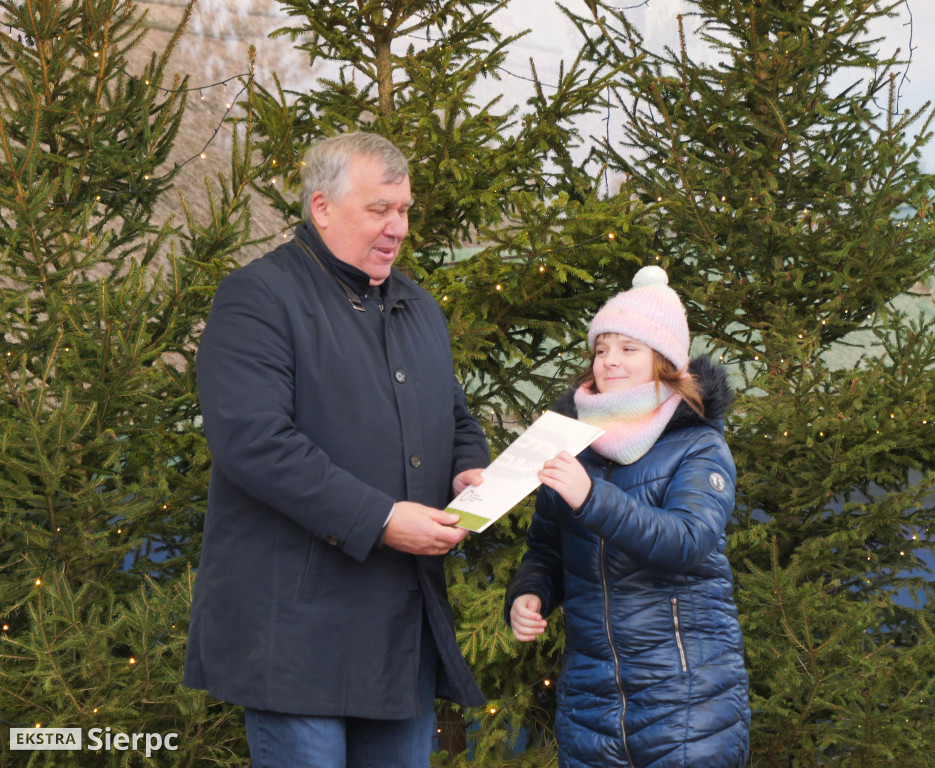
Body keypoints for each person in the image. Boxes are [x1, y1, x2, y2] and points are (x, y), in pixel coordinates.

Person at [184, 132, 490, 768]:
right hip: (296, 637)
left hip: (400, 637)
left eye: (404, 210)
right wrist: (381, 520)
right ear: (321, 206)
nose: (398, 227)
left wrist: (469, 468)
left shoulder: (418, 306)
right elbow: (254, 443)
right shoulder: (258, 298)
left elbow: (454, 413)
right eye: (380, 209)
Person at [505, 265, 750, 768]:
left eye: (628, 348)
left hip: (688, 701)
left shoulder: (699, 444)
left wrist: (591, 497)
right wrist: (530, 593)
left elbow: (687, 540)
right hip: (591, 706)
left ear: (663, 360)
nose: (609, 362)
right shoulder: (572, 444)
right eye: (601, 349)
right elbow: (546, 548)